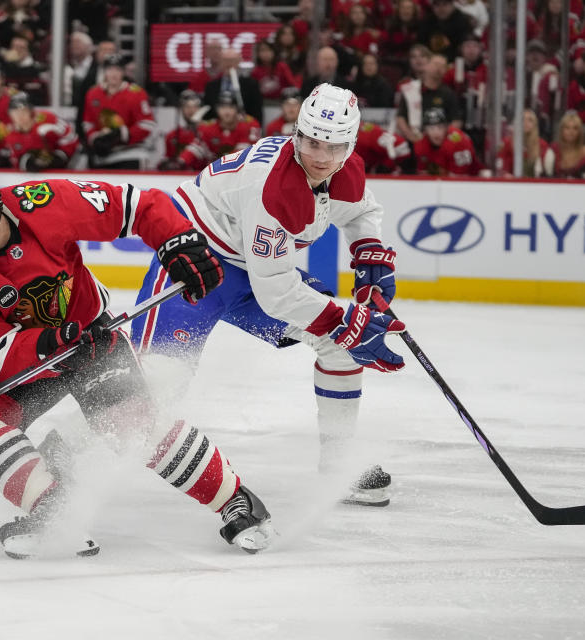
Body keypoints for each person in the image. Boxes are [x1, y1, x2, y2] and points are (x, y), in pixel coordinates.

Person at [0, 157, 274, 557]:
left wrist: (178, 242)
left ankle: (235, 501)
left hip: (90, 341)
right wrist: (46, 346)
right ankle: (54, 507)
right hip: (25, 362)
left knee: (133, 424)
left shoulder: (45, 204)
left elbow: (138, 207)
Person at [131, 84, 406, 506]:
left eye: (333, 147)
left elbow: (362, 211)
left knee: (340, 346)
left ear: (350, 147)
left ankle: (339, 468)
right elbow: (277, 292)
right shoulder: (273, 186)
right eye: (311, 140)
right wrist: (347, 320)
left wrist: (368, 252)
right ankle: (65, 460)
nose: (319, 155)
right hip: (195, 260)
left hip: (251, 266)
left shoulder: (345, 171)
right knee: (153, 383)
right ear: (297, 132)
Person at [82, 54, 157, 170]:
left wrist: (121, 134)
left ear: (123, 72)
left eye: (118, 69)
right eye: (110, 69)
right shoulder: (93, 93)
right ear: (104, 72)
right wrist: (95, 138)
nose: (114, 73)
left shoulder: (136, 93)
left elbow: (147, 123)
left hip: (131, 153)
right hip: (103, 156)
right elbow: (88, 122)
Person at [2, 91, 78, 170]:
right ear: (9, 114)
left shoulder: (48, 119)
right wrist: (26, 162)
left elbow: (70, 136)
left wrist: (62, 155)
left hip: (65, 166)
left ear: (31, 111)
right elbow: (16, 162)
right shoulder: (9, 134)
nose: (20, 116)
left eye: (23, 111)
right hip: (31, 176)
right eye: (15, 112)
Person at [413, 107, 481, 176]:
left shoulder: (458, 142)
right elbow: (423, 175)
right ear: (425, 131)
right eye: (431, 128)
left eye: (440, 127)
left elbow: (460, 178)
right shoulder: (421, 144)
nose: (436, 132)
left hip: (473, 178)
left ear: (447, 128)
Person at [496, 109, 548, 178]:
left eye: (530, 120)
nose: (526, 122)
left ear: (535, 124)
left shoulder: (542, 144)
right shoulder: (507, 142)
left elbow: (545, 171)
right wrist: (505, 174)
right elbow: (500, 166)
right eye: (523, 119)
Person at [543, 111, 585, 179]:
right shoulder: (554, 150)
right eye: (567, 128)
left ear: (580, 132)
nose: (571, 132)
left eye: (575, 128)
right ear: (561, 130)